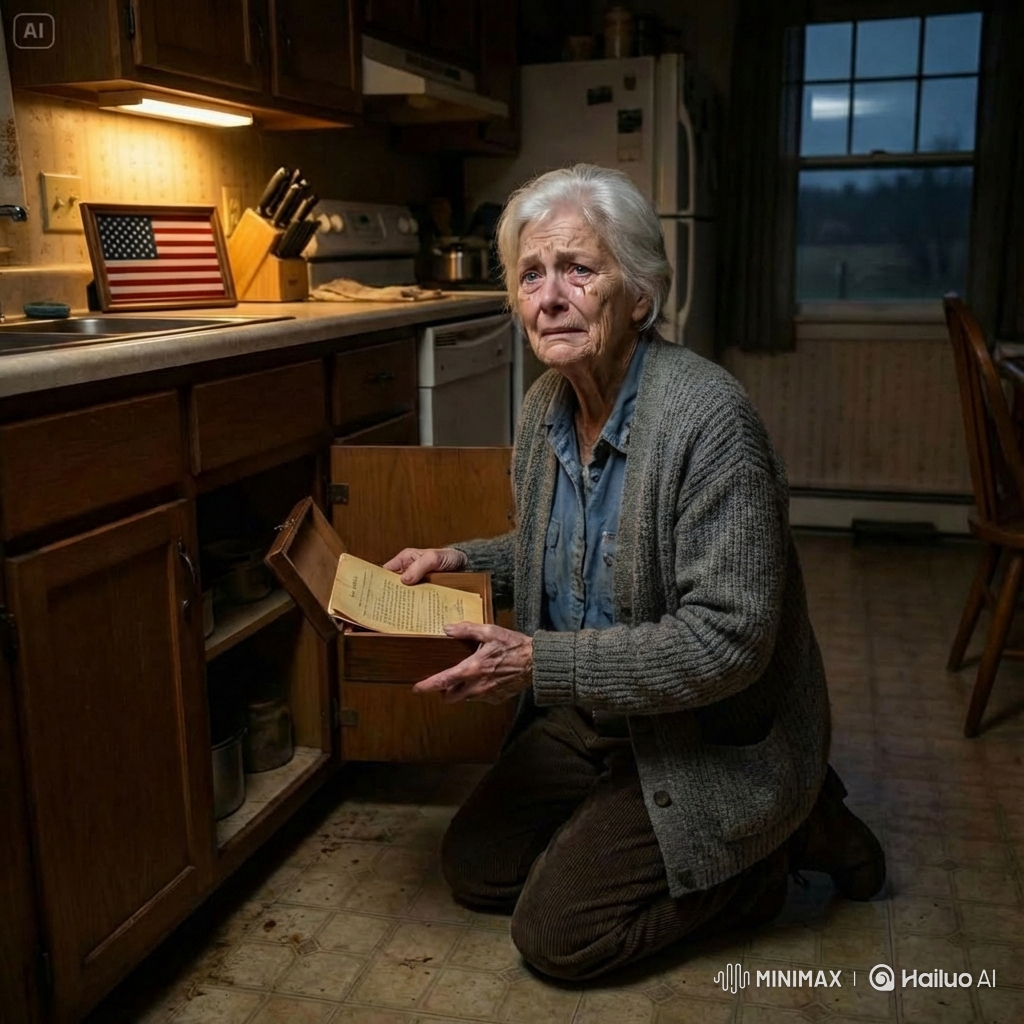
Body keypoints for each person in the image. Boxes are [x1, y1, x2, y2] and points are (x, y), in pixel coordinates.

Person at [384, 164, 884, 981]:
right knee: (476, 867)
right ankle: (642, 821)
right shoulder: (546, 404)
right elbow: (568, 551)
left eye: (580, 270)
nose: (550, 297)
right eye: (531, 274)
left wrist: (539, 663)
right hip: (598, 714)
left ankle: (783, 839)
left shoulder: (708, 420)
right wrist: (460, 560)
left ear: (641, 295)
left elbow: (729, 641)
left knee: (557, 935)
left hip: (709, 728)